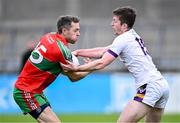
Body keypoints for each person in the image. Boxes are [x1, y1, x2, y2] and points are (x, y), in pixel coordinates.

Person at [60, 6, 170, 123]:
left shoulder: (122, 39)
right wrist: (78, 52)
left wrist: (77, 68)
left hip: (150, 86)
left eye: (115, 21)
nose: (111, 24)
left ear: (124, 26)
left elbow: (102, 63)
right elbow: (102, 51)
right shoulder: (131, 36)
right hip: (162, 85)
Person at [13, 15, 90, 123]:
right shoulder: (61, 50)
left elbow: (59, 68)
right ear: (64, 30)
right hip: (26, 91)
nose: (79, 33)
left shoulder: (49, 36)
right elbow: (73, 77)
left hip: (33, 91)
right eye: (76, 30)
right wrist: (91, 68)